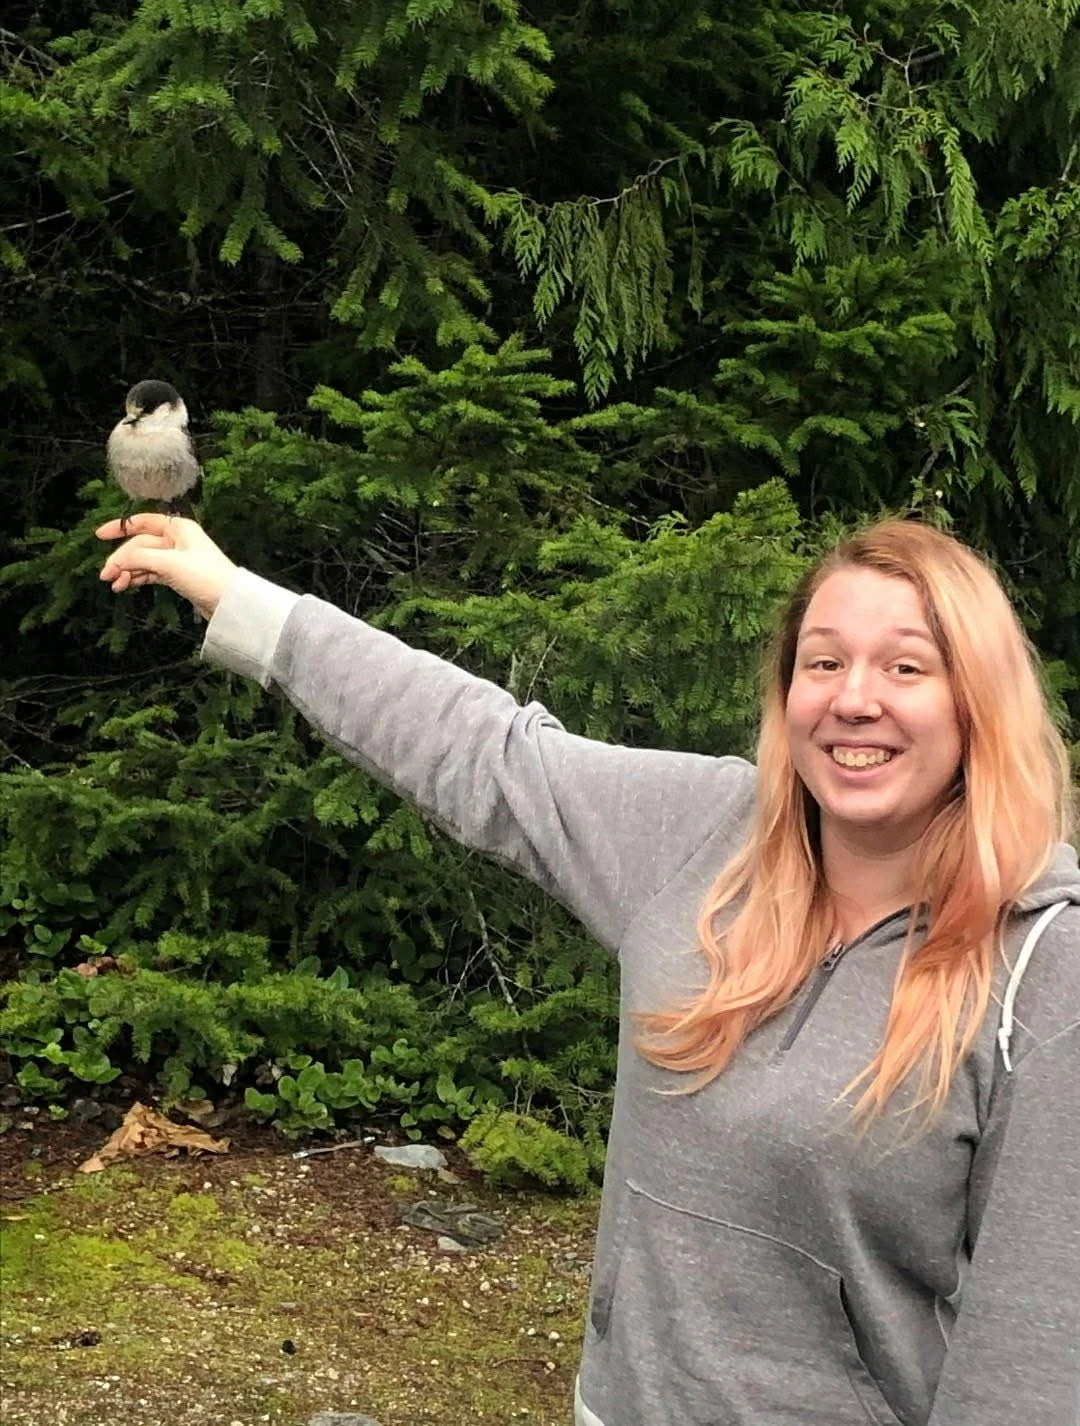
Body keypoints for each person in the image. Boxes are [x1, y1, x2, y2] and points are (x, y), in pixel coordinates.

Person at [96, 512, 1080, 1426]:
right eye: (823, 661)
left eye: (906, 666)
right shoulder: (701, 838)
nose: (854, 697)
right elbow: (484, 750)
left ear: (975, 701)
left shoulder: (1041, 966)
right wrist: (238, 596)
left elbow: (1032, 1355)